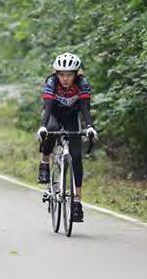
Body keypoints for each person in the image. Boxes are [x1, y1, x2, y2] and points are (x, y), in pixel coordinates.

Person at [36, 52, 98, 222]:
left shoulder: (82, 83)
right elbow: (47, 108)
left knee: (77, 157)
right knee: (51, 129)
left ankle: (77, 201)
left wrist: (90, 127)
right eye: (61, 74)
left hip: (72, 117)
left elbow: (85, 108)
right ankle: (44, 163)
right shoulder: (51, 82)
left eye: (69, 74)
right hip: (53, 114)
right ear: (56, 74)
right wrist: (42, 126)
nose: (65, 78)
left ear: (76, 74)